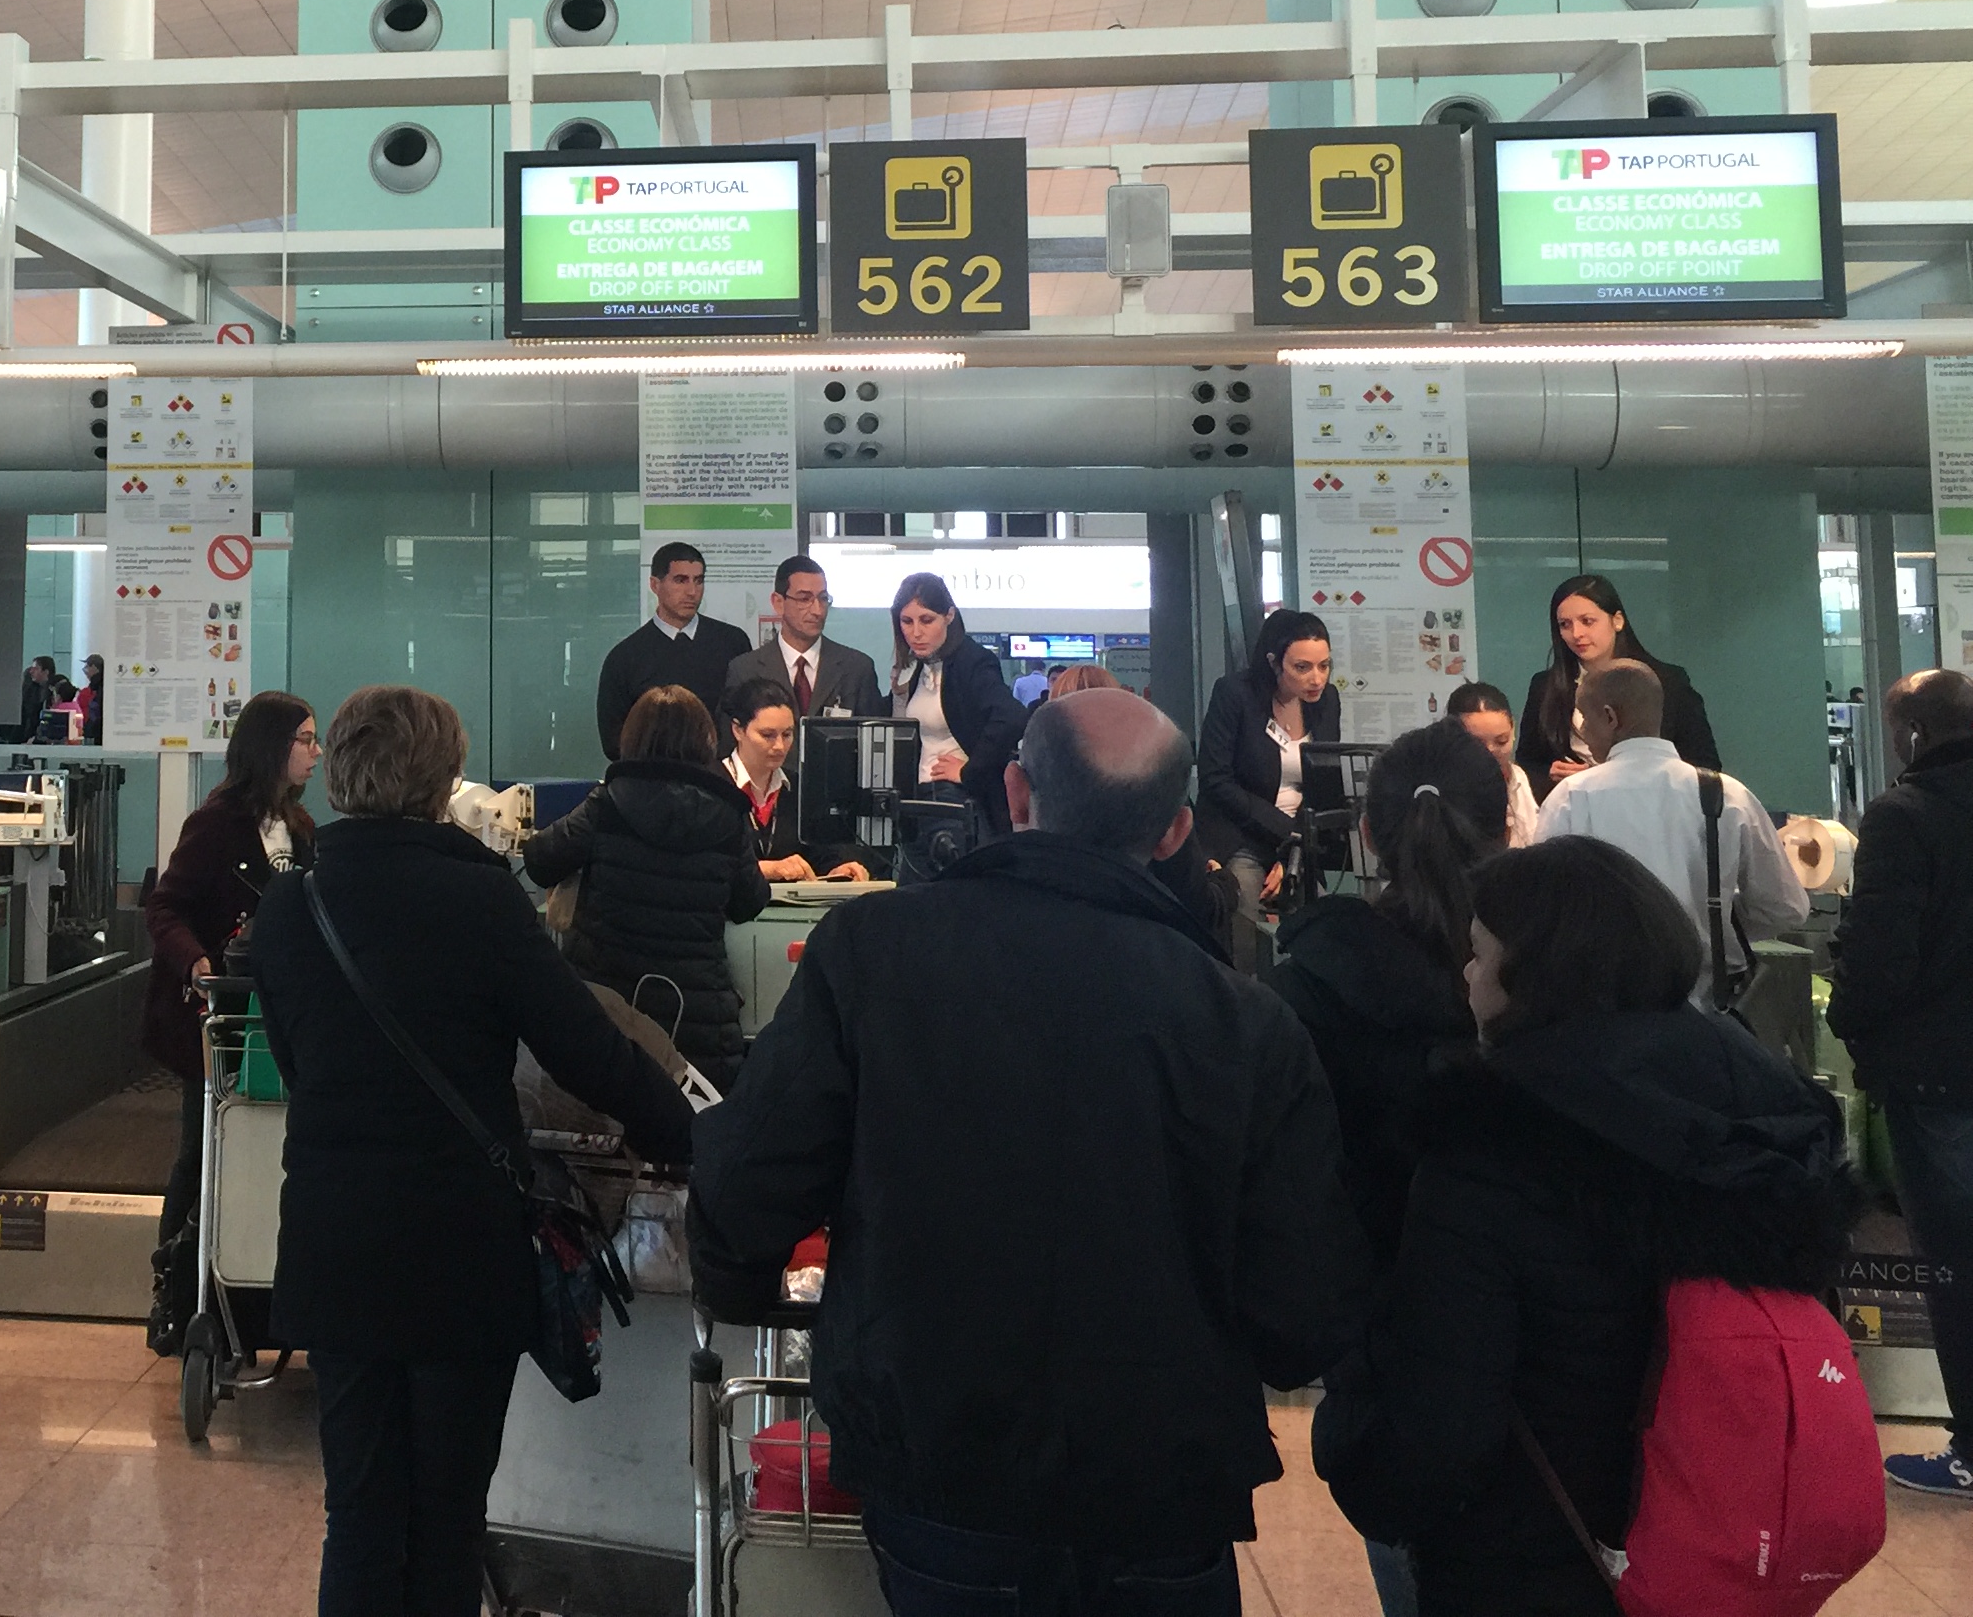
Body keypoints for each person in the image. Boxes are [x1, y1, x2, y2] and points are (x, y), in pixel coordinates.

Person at [691, 686, 1365, 1613]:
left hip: (942, 1468)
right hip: (1162, 1491)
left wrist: (752, 1290)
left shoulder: (871, 954)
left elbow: (743, 1188)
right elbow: (1303, 1314)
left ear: (1015, 793)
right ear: (1175, 832)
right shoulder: (1248, 1023)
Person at [1315, 838, 1856, 1615]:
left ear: (1535, 972)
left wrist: (1348, 1433)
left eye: (1478, 954)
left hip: (1536, 1559)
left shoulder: (1488, 1145)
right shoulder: (1773, 1121)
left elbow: (1437, 1434)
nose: (1465, 974)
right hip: (1727, 1543)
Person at [248, 683, 693, 1617]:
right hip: (457, 1246)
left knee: (358, 1516)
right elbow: (590, 1053)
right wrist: (698, 1140)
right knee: (447, 1520)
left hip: (335, 1241)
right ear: (442, 779)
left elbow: (295, 1064)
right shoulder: (481, 898)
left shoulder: (292, 906)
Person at [1265, 716, 1510, 1617]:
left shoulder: (1313, 987)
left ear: (1367, 835)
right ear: (1506, 828)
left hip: (1389, 1349)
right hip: (1567, 1357)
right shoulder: (1571, 974)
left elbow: (1293, 1186)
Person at [1827, 667, 1973, 1497]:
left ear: (1911, 734)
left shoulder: (1903, 816)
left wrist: (1854, 1024)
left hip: (1939, 1076)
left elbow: (1881, 958)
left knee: (1957, 1265)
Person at [138, 690, 320, 1355]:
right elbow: (165, 907)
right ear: (273, 747)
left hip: (278, 1018)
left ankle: (251, 1296)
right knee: (201, 1150)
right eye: (306, 739)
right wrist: (197, 962)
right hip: (220, 1019)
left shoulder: (300, 828)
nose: (317, 753)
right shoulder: (215, 824)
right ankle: (175, 1294)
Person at [521, 686, 772, 1087]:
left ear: (632, 738)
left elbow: (539, 861)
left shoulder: (607, 803)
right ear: (706, 741)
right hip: (696, 1019)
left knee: (603, 1118)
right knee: (693, 1119)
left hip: (609, 1010)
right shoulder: (727, 813)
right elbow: (750, 902)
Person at [1535, 657, 1802, 1000]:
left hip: (1604, 1003)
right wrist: (1715, 923)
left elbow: (1543, 909)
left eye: (1585, 719)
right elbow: (1786, 906)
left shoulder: (1572, 797)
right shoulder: (1726, 794)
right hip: (1709, 1004)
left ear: (1611, 717)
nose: (1583, 733)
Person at [1516, 571, 1720, 794]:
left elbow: (1705, 765)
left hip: (1654, 801)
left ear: (1617, 620)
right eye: (1565, 624)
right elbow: (1527, 764)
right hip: (1575, 802)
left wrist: (1618, 776)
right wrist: (1551, 774)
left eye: (1587, 621)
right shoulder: (1545, 686)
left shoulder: (1668, 682)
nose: (1577, 633)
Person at [1194, 607, 1338, 920]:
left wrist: (1294, 851)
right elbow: (1216, 779)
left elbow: (1323, 781)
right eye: (1302, 667)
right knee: (1247, 912)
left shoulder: (1327, 701)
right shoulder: (1235, 694)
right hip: (1240, 834)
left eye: (1324, 665)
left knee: (1321, 917)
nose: (1317, 679)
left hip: (1297, 840)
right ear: (1273, 662)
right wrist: (1287, 832)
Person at [878, 570, 1027, 841]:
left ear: (949, 616)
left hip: (953, 798)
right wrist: (898, 695)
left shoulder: (971, 660)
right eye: (906, 621)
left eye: (927, 620)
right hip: (915, 799)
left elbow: (1012, 716)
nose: (916, 632)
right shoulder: (917, 666)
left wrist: (970, 771)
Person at [595, 543, 753, 760]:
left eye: (698, 581)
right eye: (680, 580)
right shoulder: (625, 658)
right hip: (654, 776)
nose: (692, 592)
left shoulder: (732, 642)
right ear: (655, 584)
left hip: (721, 774)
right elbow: (614, 742)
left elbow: (750, 714)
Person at [727, 675, 866, 884]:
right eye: (767, 735)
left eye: (787, 735)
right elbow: (702, 865)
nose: (779, 746)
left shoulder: (800, 788)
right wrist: (766, 869)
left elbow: (820, 854)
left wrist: (838, 869)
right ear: (738, 730)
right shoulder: (711, 786)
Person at [726, 556, 882, 723]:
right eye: (804, 599)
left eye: (823, 598)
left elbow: (873, 734)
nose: (817, 611)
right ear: (778, 603)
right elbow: (732, 735)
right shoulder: (745, 671)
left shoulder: (856, 669)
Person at [1446, 680, 1540, 843]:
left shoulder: (1517, 777)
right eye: (1477, 744)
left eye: (1502, 741)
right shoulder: (1443, 791)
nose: (1490, 752)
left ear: (1513, 730)